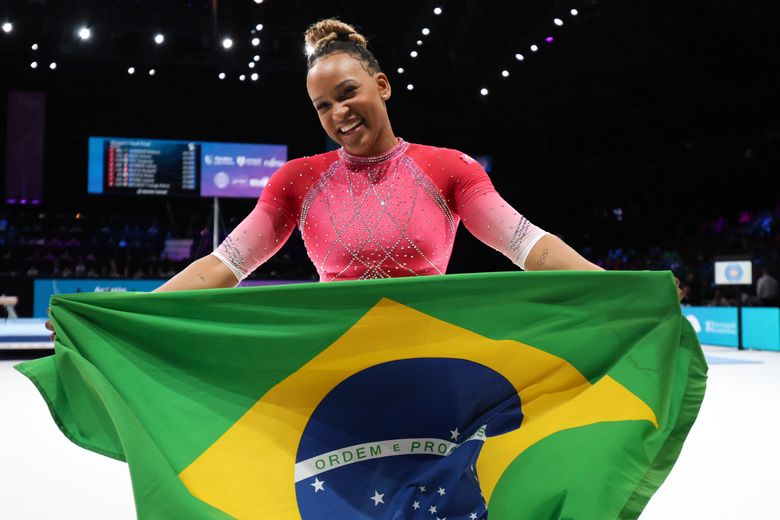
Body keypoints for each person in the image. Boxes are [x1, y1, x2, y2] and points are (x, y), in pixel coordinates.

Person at [46, 19, 679, 337]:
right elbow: (223, 265)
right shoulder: (297, 180)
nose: (337, 114)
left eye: (348, 94)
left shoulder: (447, 168)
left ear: (382, 84)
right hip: (336, 365)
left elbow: (528, 245)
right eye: (322, 106)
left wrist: (619, 288)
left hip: (436, 361)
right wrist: (136, 316)